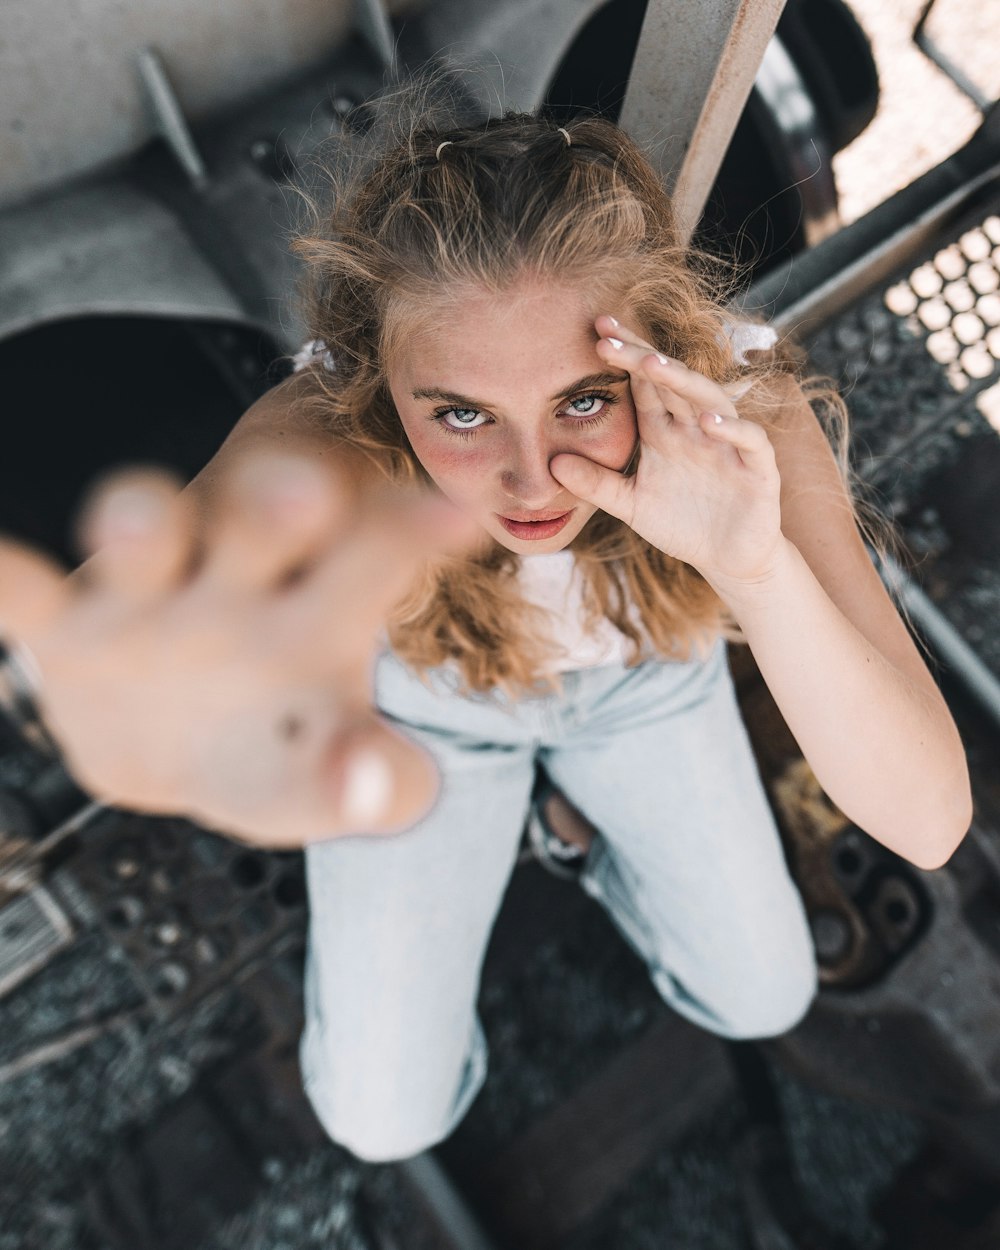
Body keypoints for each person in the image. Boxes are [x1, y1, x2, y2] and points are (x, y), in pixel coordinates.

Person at [0, 107, 972, 1163]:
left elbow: (926, 821)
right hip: (431, 702)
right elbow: (165, 581)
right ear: (384, 373)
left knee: (763, 992)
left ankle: (568, 833)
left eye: (585, 398)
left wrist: (753, 565)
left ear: (652, 343)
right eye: (461, 414)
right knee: (379, 1122)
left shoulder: (740, 410)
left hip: (644, 679)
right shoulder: (342, 420)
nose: (531, 476)